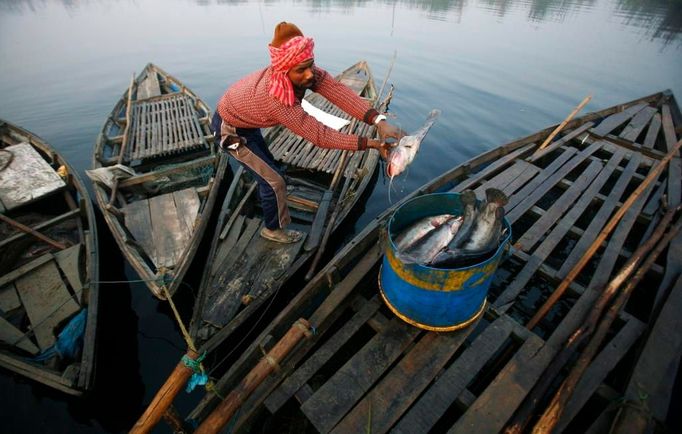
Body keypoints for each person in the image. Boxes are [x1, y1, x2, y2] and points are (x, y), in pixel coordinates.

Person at [211, 21, 404, 243]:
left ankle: (270, 188)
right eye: (301, 70)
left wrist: (378, 120)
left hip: (247, 120)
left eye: (311, 65)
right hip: (230, 129)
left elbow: (338, 92)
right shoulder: (277, 99)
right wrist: (372, 144)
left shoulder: (307, 71)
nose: (309, 74)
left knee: (270, 169)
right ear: (284, 71)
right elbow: (320, 136)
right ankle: (272, 229)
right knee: (274, 181)